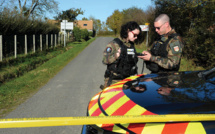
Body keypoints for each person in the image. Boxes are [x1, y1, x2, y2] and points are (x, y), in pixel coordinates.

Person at [101, 21, 142, 89]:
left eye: (137, 35)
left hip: (128, 81)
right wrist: (116, 56)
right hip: (115, 81)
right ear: (128, 31)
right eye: (135, 35)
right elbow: (104, 60)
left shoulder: (130, 45)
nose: (136, 37)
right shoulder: (114, 44)